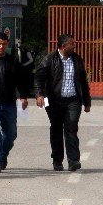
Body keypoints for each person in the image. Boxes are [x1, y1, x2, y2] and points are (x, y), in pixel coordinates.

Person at [34, 33, 91, 172]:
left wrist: (87, 101)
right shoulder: (49, 59)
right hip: (53, 100)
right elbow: (38, 78)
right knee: (56, 129)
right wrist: (39, 94)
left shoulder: (77, 60)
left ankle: (73, 161)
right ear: (64, 46)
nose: (74, 45)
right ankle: (57, 160)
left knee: (71, 128)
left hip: (73, 100)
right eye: (72, 43)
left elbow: (83, 81)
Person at [0, 31, 32, 173]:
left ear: (7, 45)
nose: (1, 47)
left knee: (11, 134)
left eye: (4, 44)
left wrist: (23, 96)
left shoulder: (13, 62)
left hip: (9, 102)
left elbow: (21, 81)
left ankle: (3, 155)